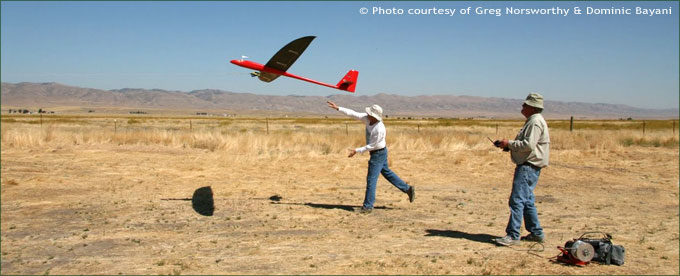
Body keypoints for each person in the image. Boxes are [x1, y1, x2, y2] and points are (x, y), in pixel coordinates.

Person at [326, 101, 415, 213]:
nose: (367, 114)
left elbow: (373, 145)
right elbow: (353, 114)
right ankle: (408, 189)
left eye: (369, 114)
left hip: (378, 153)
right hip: (379, 152)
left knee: (371, 180)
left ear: (374, 116)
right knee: (387, 173)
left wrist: (357, 150)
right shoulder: (367, 119)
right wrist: (338, 108)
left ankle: (368, 206)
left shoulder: (380, 129)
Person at [492, 93, 550, 246]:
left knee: (517, 200)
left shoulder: (535, 122)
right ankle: (536, 233)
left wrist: (509, 143)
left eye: (525, 105)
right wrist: (508, 147)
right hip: (530, 165)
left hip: (528, 166)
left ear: (532, 107)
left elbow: (528, 145)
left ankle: (513, 235)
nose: (522, 107)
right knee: (527, 201)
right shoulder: (534, 121)